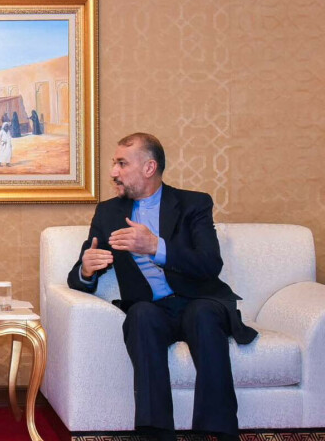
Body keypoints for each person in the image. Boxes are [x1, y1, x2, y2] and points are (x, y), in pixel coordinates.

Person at [67, 133, 256, 441]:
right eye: (115, 163)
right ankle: (155, 433)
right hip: (154, 309)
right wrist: (87, 268)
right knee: (140, 315)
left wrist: (156, 246)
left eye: (121, 163)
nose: (113, 171)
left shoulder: (193, 204)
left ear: (149, 167)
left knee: (203, 315)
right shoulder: (109, 212)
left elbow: (210, 264)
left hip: (200, 300)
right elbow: (80, 278)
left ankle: (215, 432)